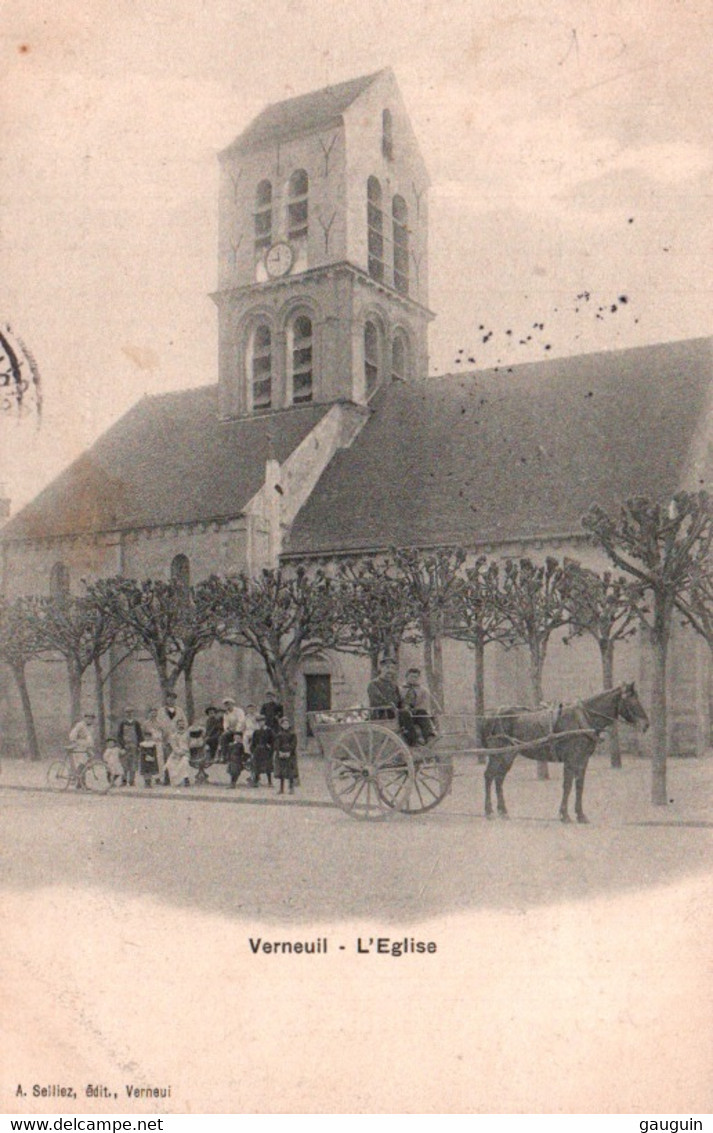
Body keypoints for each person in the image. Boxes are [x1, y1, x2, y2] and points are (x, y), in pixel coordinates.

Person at [367, 658, 418, 744]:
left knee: (420, 712)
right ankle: (413, 741)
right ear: (381, 668)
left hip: (395, 712)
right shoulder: (373, 684)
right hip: (381, 714)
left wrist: (405, 706)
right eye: (387, 667)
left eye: (392, 668)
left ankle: (429, 737)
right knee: (404, 713)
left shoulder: (393, 685)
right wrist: (392, 707)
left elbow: (400, 701)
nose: (390, 671)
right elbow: (377, 701)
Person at [402, 667, 437, 743]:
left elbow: (425, 704)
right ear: (406, 677)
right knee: (405, 714)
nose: (414, 679)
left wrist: (415, 710)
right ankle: (414, 739)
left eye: (416, 677)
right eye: (411, 676)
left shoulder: (423, 690)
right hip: (405, 714)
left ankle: (429, 736)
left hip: (417, 713)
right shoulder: (400, 689)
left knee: (422, 713)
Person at [68, 712, 97, 786]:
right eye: (88, 718)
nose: (90, 720)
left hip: (87, 747)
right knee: (82, 763)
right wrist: (74, 742)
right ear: (85, 718)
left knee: (88, 764)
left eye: (91, 719)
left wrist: (91, 745)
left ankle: (79, 782)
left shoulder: (92, 727)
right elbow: (73, 734)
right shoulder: (80, 725)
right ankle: (79, 781)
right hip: (79, 746)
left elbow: (90, 737)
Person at [117, 705, 143, 786]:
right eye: (127, 712)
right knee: (124, 764)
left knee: (133, 764)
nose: (129, 714)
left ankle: (132, 780)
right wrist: (122, 746)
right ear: (125, 713)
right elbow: (119, 736)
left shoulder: (136, 723)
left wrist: (139, 745)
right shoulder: (122, 723)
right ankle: (124, 780)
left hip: (134, 746)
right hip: (125, 746)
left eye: (130, 712)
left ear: (133, 713)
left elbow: (140, 735)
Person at [164, 719, 192, 787]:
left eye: (182, 724)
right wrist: (179, 753)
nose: (181, 726)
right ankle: (170, 780)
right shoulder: (173, 736)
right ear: (177, 726)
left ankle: (186, 779)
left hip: (186, 753)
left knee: (184, 762)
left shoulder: (187, 735)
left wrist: (186, 752)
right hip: (176, 754)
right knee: (169, 763)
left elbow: (190, 744)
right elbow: (174, 747)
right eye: (179, 724)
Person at [273, 716, 298, 794]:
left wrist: (289, 752)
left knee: (290, 772)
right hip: (281, 755)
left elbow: (294, 744)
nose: (285, 725)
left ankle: (291, 788)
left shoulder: (292, 734)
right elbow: (276, 744)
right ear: (281, 725)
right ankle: (281, 789)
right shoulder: (279, 734)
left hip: (290, 755)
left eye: (287, 724)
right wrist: (279, 752)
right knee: (281, 773)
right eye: (284, 724)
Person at [217, 697, 246, 763]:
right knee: (223, 736)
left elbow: (241, 721)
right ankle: (224, 756)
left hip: (240, 729)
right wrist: (228, 729)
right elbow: (225, 723)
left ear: (232, 704)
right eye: (226, 705)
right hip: (231, 730)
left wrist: (237, 730)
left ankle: (240, 756)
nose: (228, 706)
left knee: (237, 737)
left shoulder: (239, 711)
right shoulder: (226, 713)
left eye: (229, 704)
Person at [248, 714, 274, 787]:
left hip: (266, 750)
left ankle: (270, 782)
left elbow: (273, 741)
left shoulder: (269, 730)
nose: (260, 723)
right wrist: (253, 750)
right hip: (258, 751)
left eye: (262, 721)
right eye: (259, 722)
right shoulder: (256, 731)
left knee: (267, 767)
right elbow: (253, 742)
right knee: (257, 766)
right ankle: (256, 781)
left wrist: (270, 749)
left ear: (265, 722)